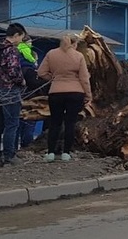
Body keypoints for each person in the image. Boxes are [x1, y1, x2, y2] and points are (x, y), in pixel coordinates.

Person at [38, 34, 92, 162]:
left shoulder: (51, 54)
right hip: (75, 93)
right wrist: (88, 94)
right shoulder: (79, 56)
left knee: (55, 123)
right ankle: (66, 153)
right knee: (70, 123)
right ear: (75, 44)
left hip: (55, 92)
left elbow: (41, 72)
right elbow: (84, 79)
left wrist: (54, 79)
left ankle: (51, 152)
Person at [0, 22, 27, 166]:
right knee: (12, 124)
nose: (21, 40)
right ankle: (9, 155)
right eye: (21, 37)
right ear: (16, 35)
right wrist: (22, 81)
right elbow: (13, 71)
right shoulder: (11, 50)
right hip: (10, 90)